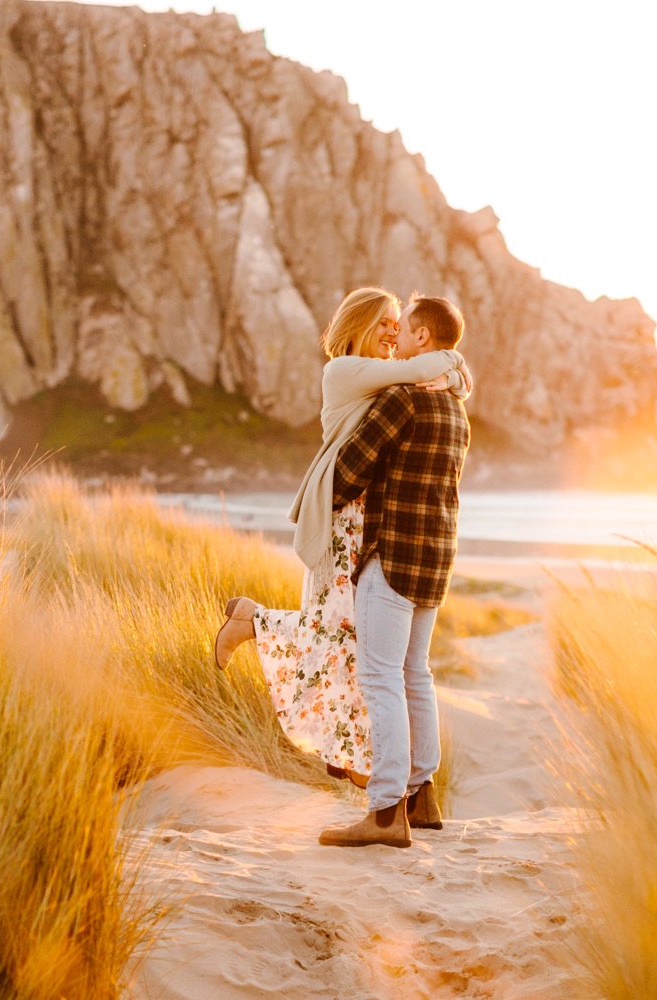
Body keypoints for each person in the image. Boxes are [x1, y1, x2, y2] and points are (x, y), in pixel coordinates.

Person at [212, 287, 469, 794]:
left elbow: (417, 383)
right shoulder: (346, 371)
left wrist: (451, 372)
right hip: (341, 519)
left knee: (349, 643)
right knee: (335, 633)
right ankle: (254, 623)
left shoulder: (383, 378)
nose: (394, 332)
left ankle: (354, 756)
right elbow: (419, 374)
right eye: (385, 323)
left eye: (399, 323)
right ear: (360, 325)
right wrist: (456, 364)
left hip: (367, 523)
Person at [314, 294, 470, 849]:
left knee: (380, 678)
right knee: (415, 674)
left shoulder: (401, 400)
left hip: (392, 558)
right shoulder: (456, 407)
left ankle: (384, 813)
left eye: (402, 329)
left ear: (423, 338)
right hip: (436, 562)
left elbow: (351, 472)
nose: (396, 339)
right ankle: (421, 796)